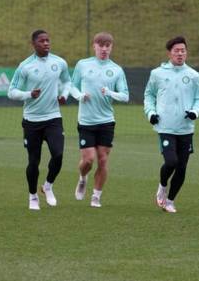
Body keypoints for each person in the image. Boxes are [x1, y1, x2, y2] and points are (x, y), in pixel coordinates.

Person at [8, 30, 71, 210]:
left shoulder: (59, 62)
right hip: (32, 120)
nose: (46, 43)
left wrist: (64, 95)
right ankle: (33, 196)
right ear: (33, 44)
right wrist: (29, 94)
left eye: (48, 40)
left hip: (53, 118)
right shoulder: (25, 66)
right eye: (42, 41)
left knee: (58, 155)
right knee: (34, 161)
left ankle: (48, 186)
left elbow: (67, 82)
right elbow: (11, 91)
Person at [144, 36, 199, 213]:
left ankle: (170, 201)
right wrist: (151, 113)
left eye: (183, 50)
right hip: (165, 126)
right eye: (176, 50)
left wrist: (195, 112)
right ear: (169, 53)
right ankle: (162, 187)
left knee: (182, 167)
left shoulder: (193, 75)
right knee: (171, 162)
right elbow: (149, 95)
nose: (180, 53)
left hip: (186, 128)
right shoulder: (157, 73)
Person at [70, 32, 129, 208]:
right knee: (88, 160)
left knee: (102, 159)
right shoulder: (83, 64)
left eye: (107, 46)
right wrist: (80, 95)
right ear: (94, 46)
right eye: (101, 45)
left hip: (106, 121)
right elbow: (71, 86)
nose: (104, 49)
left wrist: (110, 93)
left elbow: (125, 96)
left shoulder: (117, 69)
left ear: (111, 47)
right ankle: (82, 178)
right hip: (86, 121)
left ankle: (96, 196)